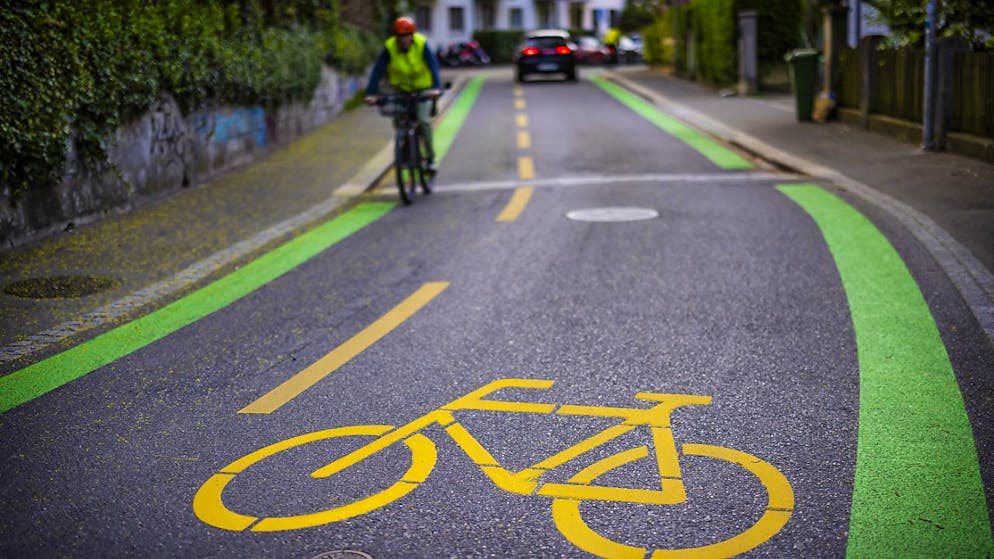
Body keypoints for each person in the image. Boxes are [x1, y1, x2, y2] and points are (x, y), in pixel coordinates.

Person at [365, 16, 443, 173]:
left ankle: (430, 158)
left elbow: (433, 66)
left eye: (406, 36)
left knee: (423, 121)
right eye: (400, 36)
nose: (403, 40)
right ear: (396, 36)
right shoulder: (389, 47)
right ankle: (406, 147)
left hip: (423, 88)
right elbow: (378, 70)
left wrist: (436, 88)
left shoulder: (421, 44)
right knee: (399, 122)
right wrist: (371, 93)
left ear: (412, 35)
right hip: (400, 89)